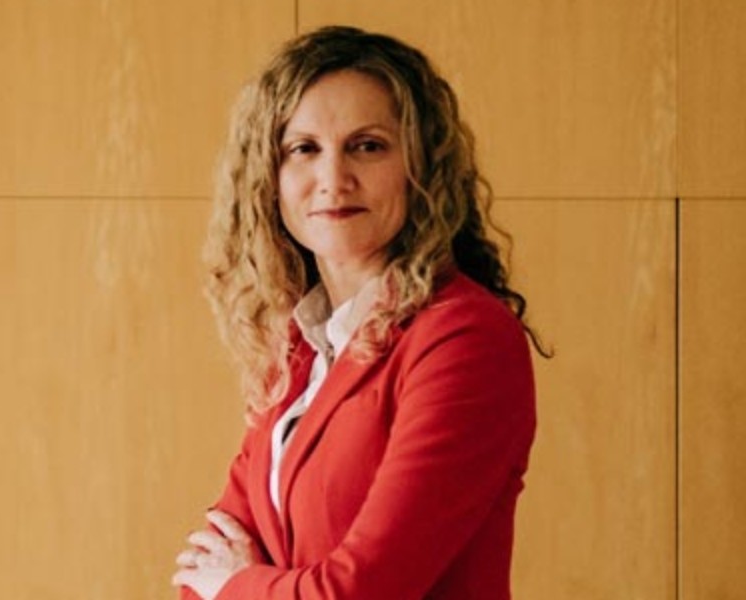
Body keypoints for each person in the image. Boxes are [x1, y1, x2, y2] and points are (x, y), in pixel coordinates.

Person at [172, 25, 547, 600]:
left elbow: (362, 591)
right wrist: (241, 584)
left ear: (419, 166)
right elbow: (199, 576)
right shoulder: (299, 350)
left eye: (367, 145)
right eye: (304, 149)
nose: (333, 179)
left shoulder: (463, 338)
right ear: (268, 178)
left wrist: (241, 585)